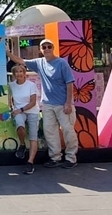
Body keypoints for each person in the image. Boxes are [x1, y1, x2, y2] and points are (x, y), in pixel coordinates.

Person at [7, 38, 78, 169]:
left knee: (68, 130)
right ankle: (55, 157)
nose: (46, 49)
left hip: (63, 104)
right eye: (43, 47)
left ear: (53, 48)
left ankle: (71, 158)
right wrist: (8, 53)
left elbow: (70, 83)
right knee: (49, 131)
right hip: (47, 104)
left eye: (49, 46)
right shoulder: (39, 63)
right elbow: (21, 61)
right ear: (40, 50)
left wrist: (68, 103)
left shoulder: (62, 63)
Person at [7, 64, 39, 174]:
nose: (19, 74)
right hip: (18, 111)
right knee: (20, 126)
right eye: (17, 72)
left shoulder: (31, 85)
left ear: (25, 74)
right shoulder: (11, 85)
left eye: (21, 71)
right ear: (14, 74)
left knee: (33, 136)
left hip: (31, 111)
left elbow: (33, 102)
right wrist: (11, 108)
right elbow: (8, 98)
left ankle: (30, 162)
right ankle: (22, 145)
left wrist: (20, 109)